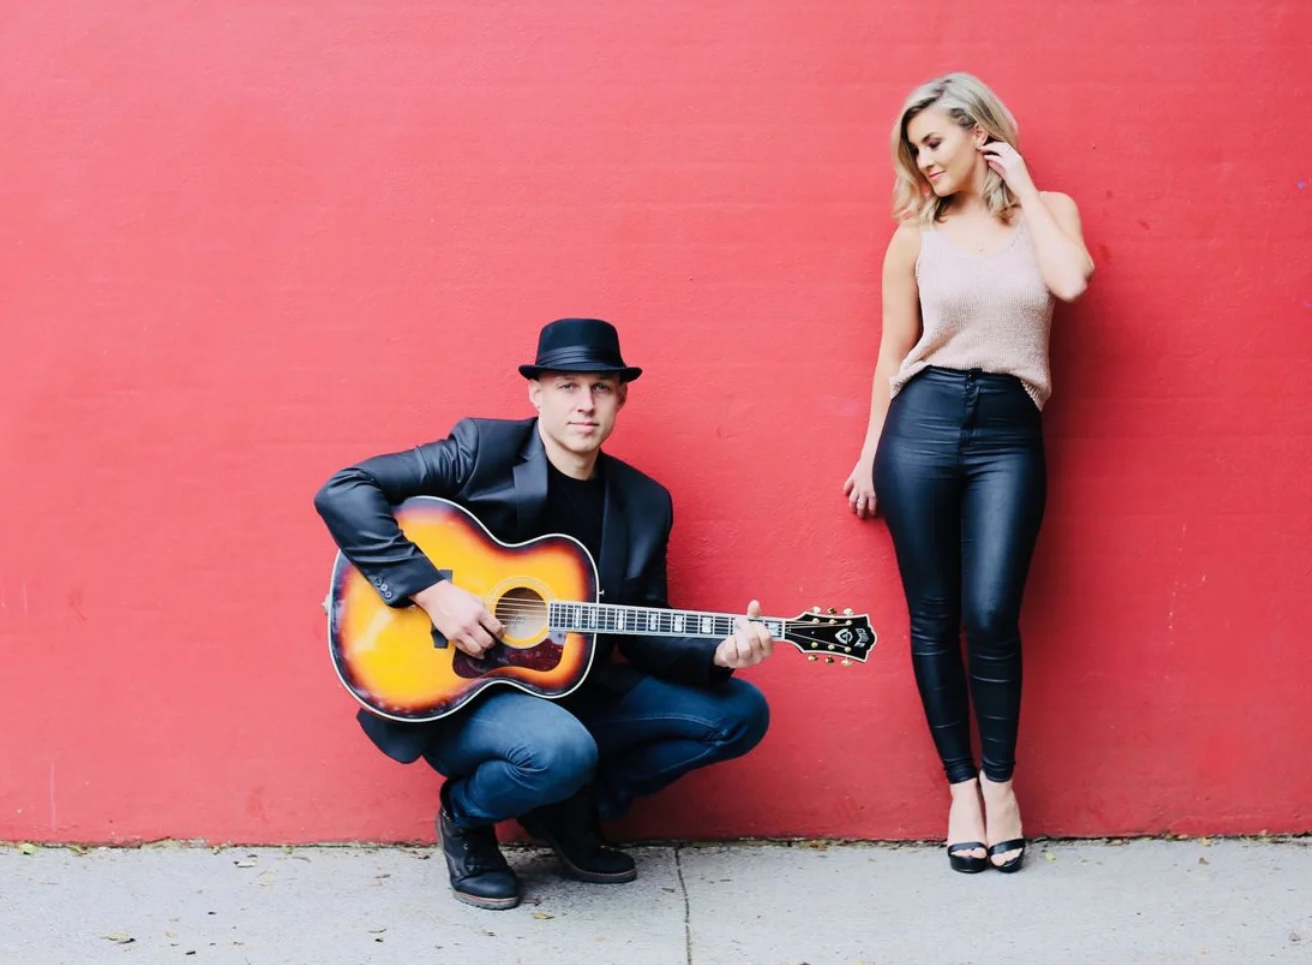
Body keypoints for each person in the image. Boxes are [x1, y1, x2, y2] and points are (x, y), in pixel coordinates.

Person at [314, 318, 773, 909]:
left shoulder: (644, 502)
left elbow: (646, 630)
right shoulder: (482, 450)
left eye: (601, 388)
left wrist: (718, 651)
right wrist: (432, 591)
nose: (585, 404)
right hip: (464, 691)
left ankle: (566, 809)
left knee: (740, 712)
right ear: (536, 392)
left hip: (574, 689)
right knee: (559, 752)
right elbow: (345, 489)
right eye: (566, 386)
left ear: (621, 397)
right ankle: (465, 818)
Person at [841, 73, 1095, 873]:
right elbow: (891, 355)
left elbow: (1071, 281)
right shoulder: (915, 236)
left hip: (1009, 430)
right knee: (932, 615)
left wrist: (1016, 177)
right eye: (914, 150)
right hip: (921, 425)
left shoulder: (1051, 214)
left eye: (934, 143)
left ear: (979, 132)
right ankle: (961, 791)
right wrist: (868, 450)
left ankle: (1002, 783)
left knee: (991, 614)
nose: (923, 163)